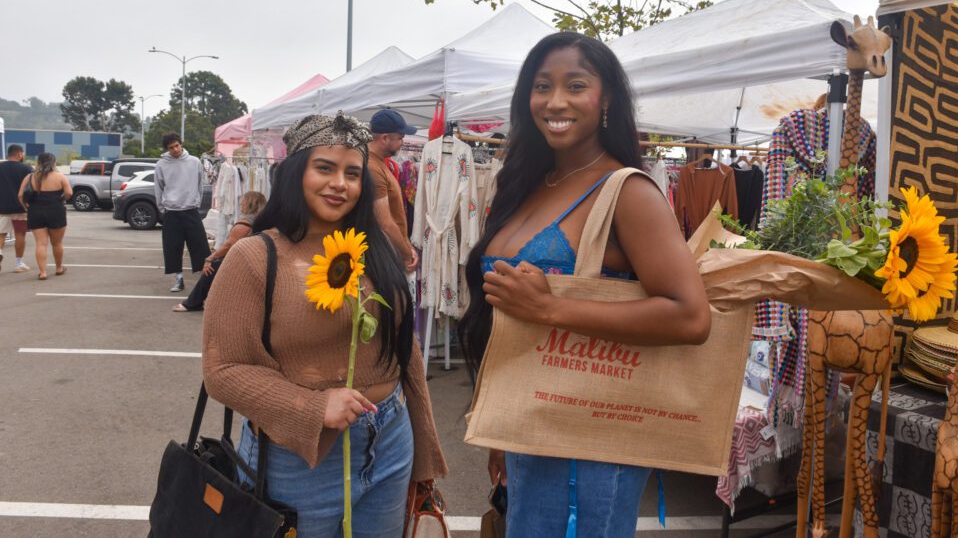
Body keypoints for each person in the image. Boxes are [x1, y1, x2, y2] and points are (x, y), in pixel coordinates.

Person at [458, 32, 711, 537]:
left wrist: (553, 310)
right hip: (531, 423)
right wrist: (497, 428)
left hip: (593, 436)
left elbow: (690, 315)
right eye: (541, 86)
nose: (555, 102)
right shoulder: (525, 184)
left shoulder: (628, 192)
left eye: (576, 85)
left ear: (607, 100)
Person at [203, 111, 447, 538]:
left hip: (390, 439)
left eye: (353, 174)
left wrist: (423, 454)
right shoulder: (255, 257)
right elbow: (223, 371)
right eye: (325, 168)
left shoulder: (372, 252)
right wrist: (312, 407)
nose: (340, 184)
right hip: (298, 455)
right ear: (296, 172)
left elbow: (403, 351)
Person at [172, 190, 266, 312]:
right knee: (216, 265)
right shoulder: (261, 220)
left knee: (211, 269)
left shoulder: (244, 224)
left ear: (250, 204)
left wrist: (209, 258)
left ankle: (193, 303)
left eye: (243, 202)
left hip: (246, 262)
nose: (241, 204)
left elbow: (228, 246)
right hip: (257, 260)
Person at [154, 133, 210, 293]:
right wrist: (162, 207)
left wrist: (196, 202)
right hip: (172, 211)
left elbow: (200, 183)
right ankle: (179, 279)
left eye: (177, 145)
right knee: (172, 247)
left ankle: (204, 280)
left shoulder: (194, 162)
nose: (175, 149)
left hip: (191, 210)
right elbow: (158, 187)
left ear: (181, 144)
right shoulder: (161, 165)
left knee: (200, 246)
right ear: (167, 149)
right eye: (171, 148)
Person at [367, 109, 418, 271]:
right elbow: (385, 222)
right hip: (385, 254)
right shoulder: (372, 168)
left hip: (392, 249)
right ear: (384, 138)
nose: (403, 142)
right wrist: (406, 254)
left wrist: (407, 244)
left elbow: (396, 213)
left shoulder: (381, 163)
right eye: (400, 138)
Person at [18, 152, 72, 280]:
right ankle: (59, 268)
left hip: (35, 211)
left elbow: (20, 195)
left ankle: (43, 272)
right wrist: (61, 199)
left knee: (41, 244)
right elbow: (69, 193)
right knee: (57, 243)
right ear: (53, 162)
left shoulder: (30, 177)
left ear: (39, 162)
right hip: (56, 210)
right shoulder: (60, 176)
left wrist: (26, 207)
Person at [0, 144, 34, 272]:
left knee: (1, 233)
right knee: (20, 234)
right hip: (21, 207)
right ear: (19, 154)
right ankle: (18, 263)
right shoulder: (26, 168)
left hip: (1, 207)